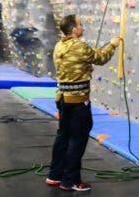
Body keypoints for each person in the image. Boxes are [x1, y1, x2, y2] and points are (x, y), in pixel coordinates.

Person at [46, 14, 121, 192]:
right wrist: (113, 45)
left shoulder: (59, 45)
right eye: (80, 24)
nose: (82, 27)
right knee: (77, 139)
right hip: (78, 101)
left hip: (63, 99)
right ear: (73, 29)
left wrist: (85, 67)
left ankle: (55, 175)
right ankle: (71, 180)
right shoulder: (80, 46)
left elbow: (73, 65)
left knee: (63, 136)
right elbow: (100, 58)